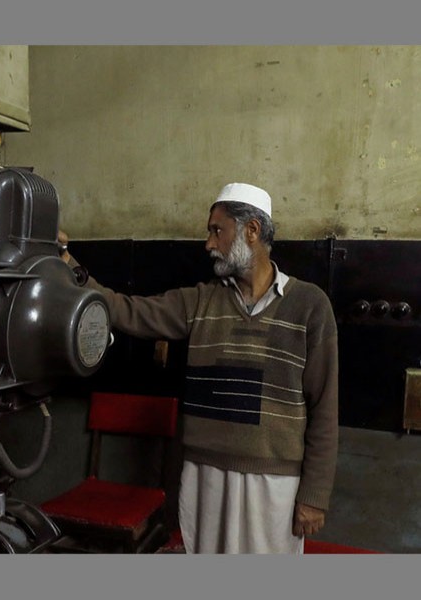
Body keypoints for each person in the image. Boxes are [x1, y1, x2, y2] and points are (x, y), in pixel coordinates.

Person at [59, 182, 338, 554]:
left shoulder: (309, 305)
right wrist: (69, 267)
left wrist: (314, 494)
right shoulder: (202, 300)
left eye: (216, 231)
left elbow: (324, 405)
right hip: (203, 476)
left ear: (252, 231)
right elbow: (127, 310)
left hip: (275, 486)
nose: (208, 243)